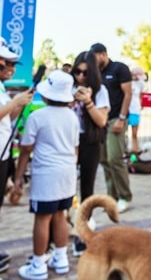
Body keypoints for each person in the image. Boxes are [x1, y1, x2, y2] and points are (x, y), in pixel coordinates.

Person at [13, 70, 79, 279]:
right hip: (67, 173)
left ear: (48, 94)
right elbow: (75, 147)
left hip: (46, 175)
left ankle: (38, 264)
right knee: (60, 214)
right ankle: (61, 258)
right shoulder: (72, 117)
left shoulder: (37, 116)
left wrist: (17, 178)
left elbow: (25, 150)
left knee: (42, 218)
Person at [0, 37, 35, 275]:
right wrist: (14, 102)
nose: (9, 68)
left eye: (12, 63)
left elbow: (7, 120)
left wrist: (19, 106)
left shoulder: (2, 88)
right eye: (3, 64)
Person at [70, 51, 110, 256]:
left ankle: (83, 233)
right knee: (66, 189)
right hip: (68, 142)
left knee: (87, 187)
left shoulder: (100, 90)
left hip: (90, 142)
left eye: (85, 73)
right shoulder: (66, 87)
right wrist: (70, 101)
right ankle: (66, 227)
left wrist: (87, 101)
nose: (80, 77)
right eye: (77, 72)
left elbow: (102, 121)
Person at [90, 43, 132, 213]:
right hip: (102, 121)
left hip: (116, 119)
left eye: (95, 57)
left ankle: (124, 196)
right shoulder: (97, 73)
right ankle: (111, 197)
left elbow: (128, 94)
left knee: (115, 158)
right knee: (104, 160)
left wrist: (121, 118)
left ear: (102, 54)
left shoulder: (119, 68)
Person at [128, 66, 145, 153]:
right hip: (127, 110)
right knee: (125, 133)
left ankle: (135, 150)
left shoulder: (140, 84)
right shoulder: (127, 82)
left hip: (135, 110)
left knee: (134, 134)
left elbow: (141, 96)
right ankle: (127, 149)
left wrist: (141, 105)